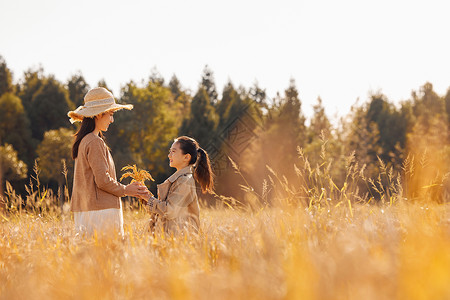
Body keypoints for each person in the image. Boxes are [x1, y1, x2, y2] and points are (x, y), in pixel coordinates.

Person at [68, 87, 149, 236]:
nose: (112, 120)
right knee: (108, 256)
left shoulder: (85, 141)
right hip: (101, 212)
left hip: (87, 210)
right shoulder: (94, 142)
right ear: (99, 114)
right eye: (110, 114)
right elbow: (103, 181)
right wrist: (126, 190)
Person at [141, 136, 214, 234]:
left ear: (186, 157)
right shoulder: (178, 179)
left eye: (173, 152)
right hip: (170, 237)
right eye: (169, 151)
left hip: (179, 238)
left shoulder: (184, 181)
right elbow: (164, 211)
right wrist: (145, 199)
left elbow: (170, 211)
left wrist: (149, 198)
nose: (169, 155)